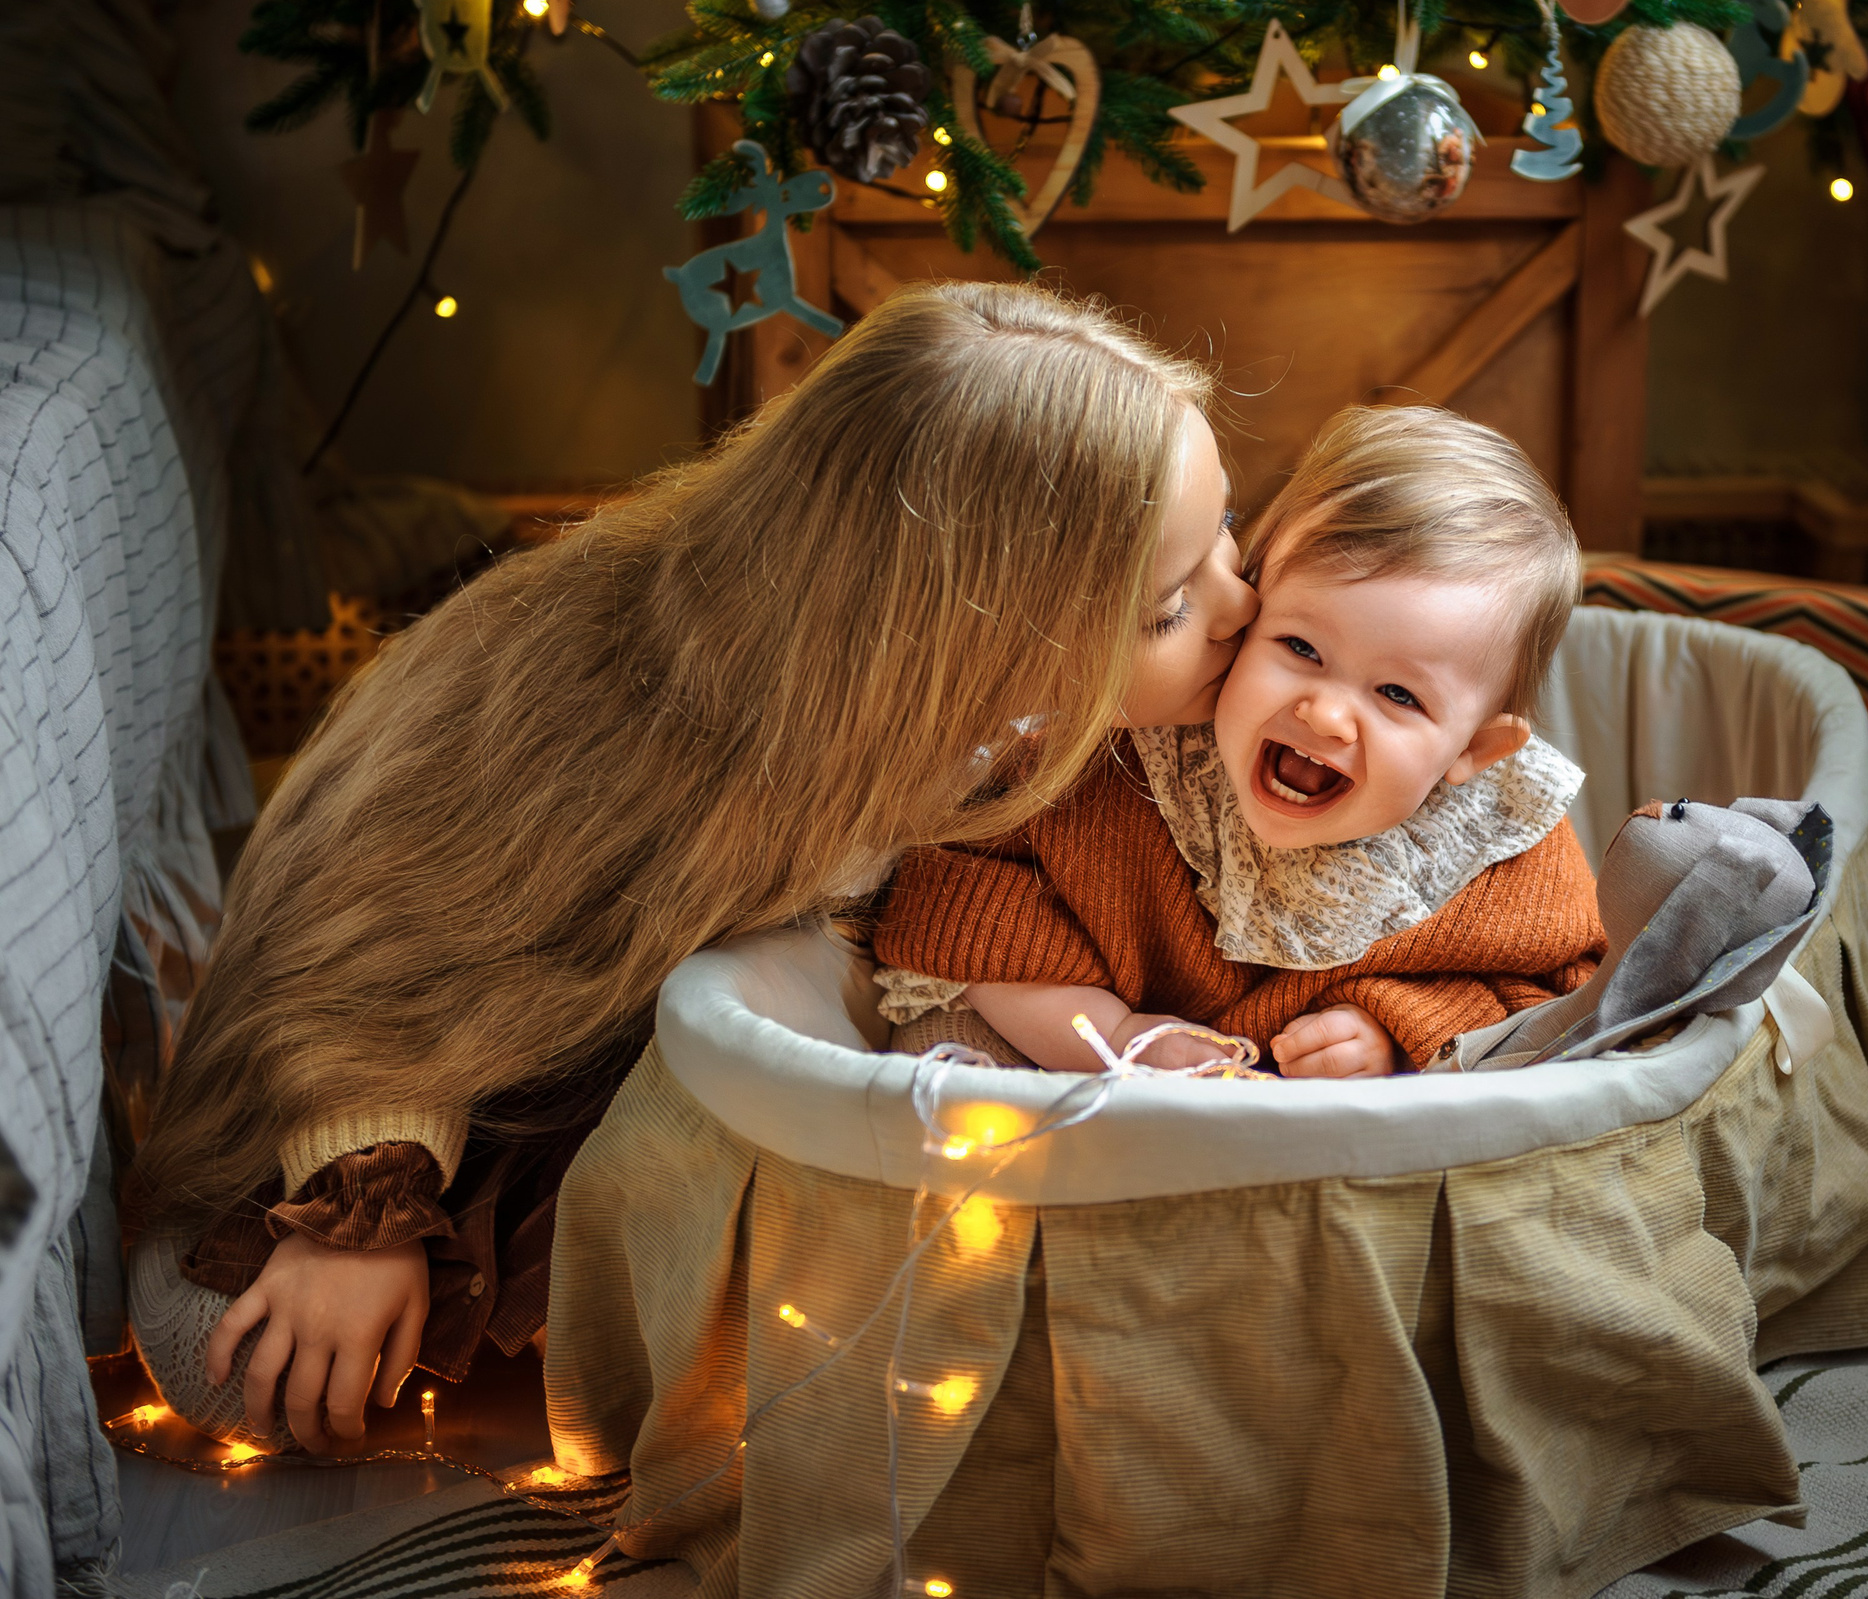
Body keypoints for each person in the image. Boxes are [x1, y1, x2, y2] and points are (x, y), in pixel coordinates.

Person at [122, 282, 1257, 1456]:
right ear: (973, 631)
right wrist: (362, 1213)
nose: (1242, 602)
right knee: (225, 1354)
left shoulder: (1115, 717)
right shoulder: (616, 714)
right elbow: (392, 952)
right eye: (1169, 606)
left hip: (804, 1070)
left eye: (1226, 531)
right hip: (524, 1073)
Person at [870, 404, 1607, 1078]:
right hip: (1099, 1114)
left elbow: (1557, 996)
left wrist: (1397, 1030)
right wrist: (1113, 1033)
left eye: (1397, 695)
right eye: (1300, 647)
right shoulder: (1125, 753)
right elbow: (960, 912)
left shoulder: (1505, 849)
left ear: (1472, 752)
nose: (1324, 715)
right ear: (1249, 609)